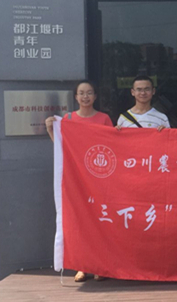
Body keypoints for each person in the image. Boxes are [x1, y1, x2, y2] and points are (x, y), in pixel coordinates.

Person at [45, 80, 112, 282]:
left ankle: (100, 266)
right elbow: (62, 148)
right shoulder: (68, 119)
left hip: (100, 179)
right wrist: (51, 130)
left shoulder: (104, 119)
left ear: (95, 96)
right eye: (81, 93)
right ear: (75, 97)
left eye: (89, 93)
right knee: (79, 223)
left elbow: (112, 147)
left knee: (101, 223)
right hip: (76, 180)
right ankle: (82, 267)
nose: (85, 96)